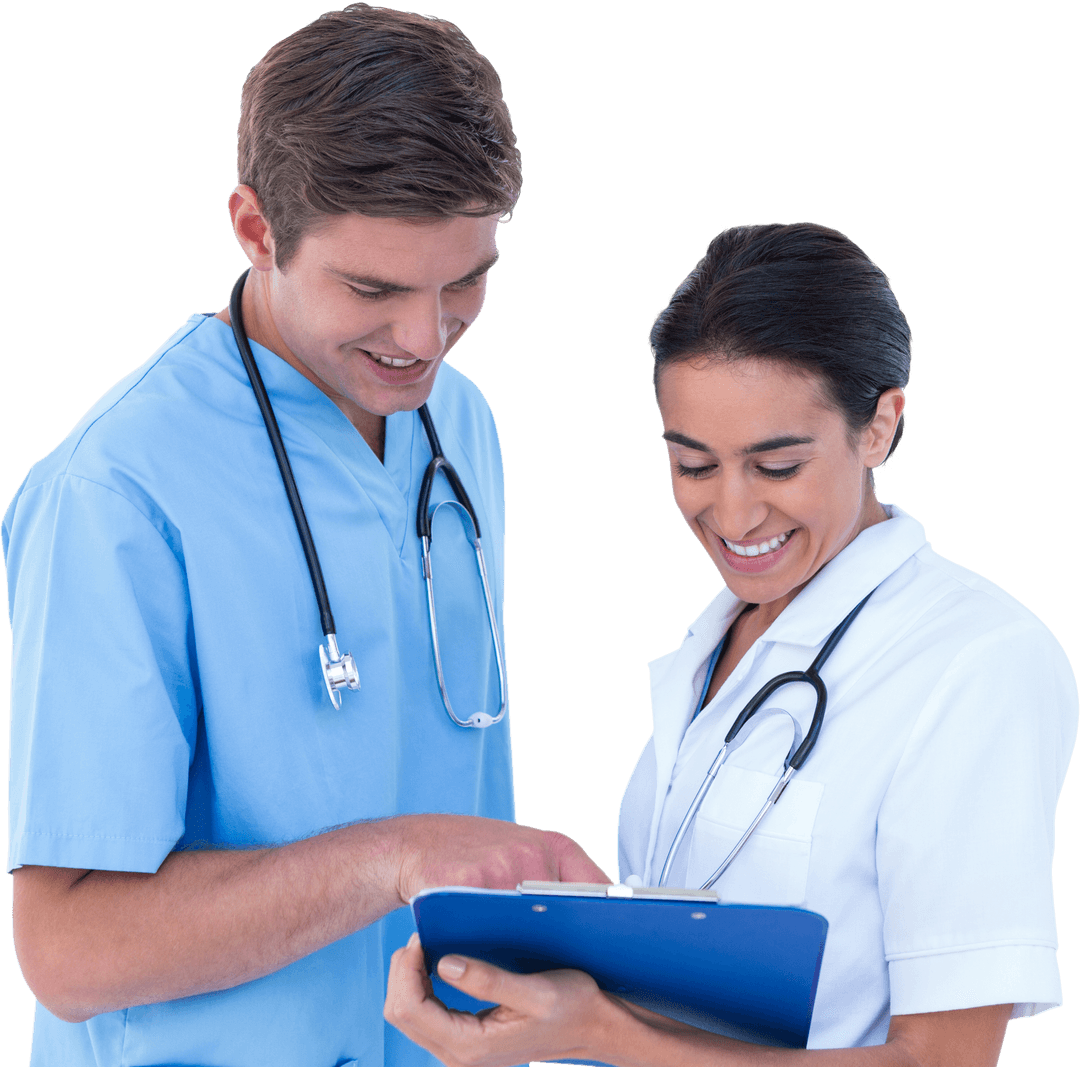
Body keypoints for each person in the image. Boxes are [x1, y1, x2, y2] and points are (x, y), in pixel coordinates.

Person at [3, 5, 607, 1065]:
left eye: (465, 280)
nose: (424, 341)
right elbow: (67, 948)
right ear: (254, 228)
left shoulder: (457, 424)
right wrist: (393, 857)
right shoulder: (116, 492)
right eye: (372, 288)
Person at [384, 222, 1078, 1066]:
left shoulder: (978, 659)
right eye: (694, 464)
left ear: (881, 426)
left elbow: (943, 1061)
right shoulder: (718, 646)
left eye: (777, 466)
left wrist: (599, 1028)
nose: (735, 514)